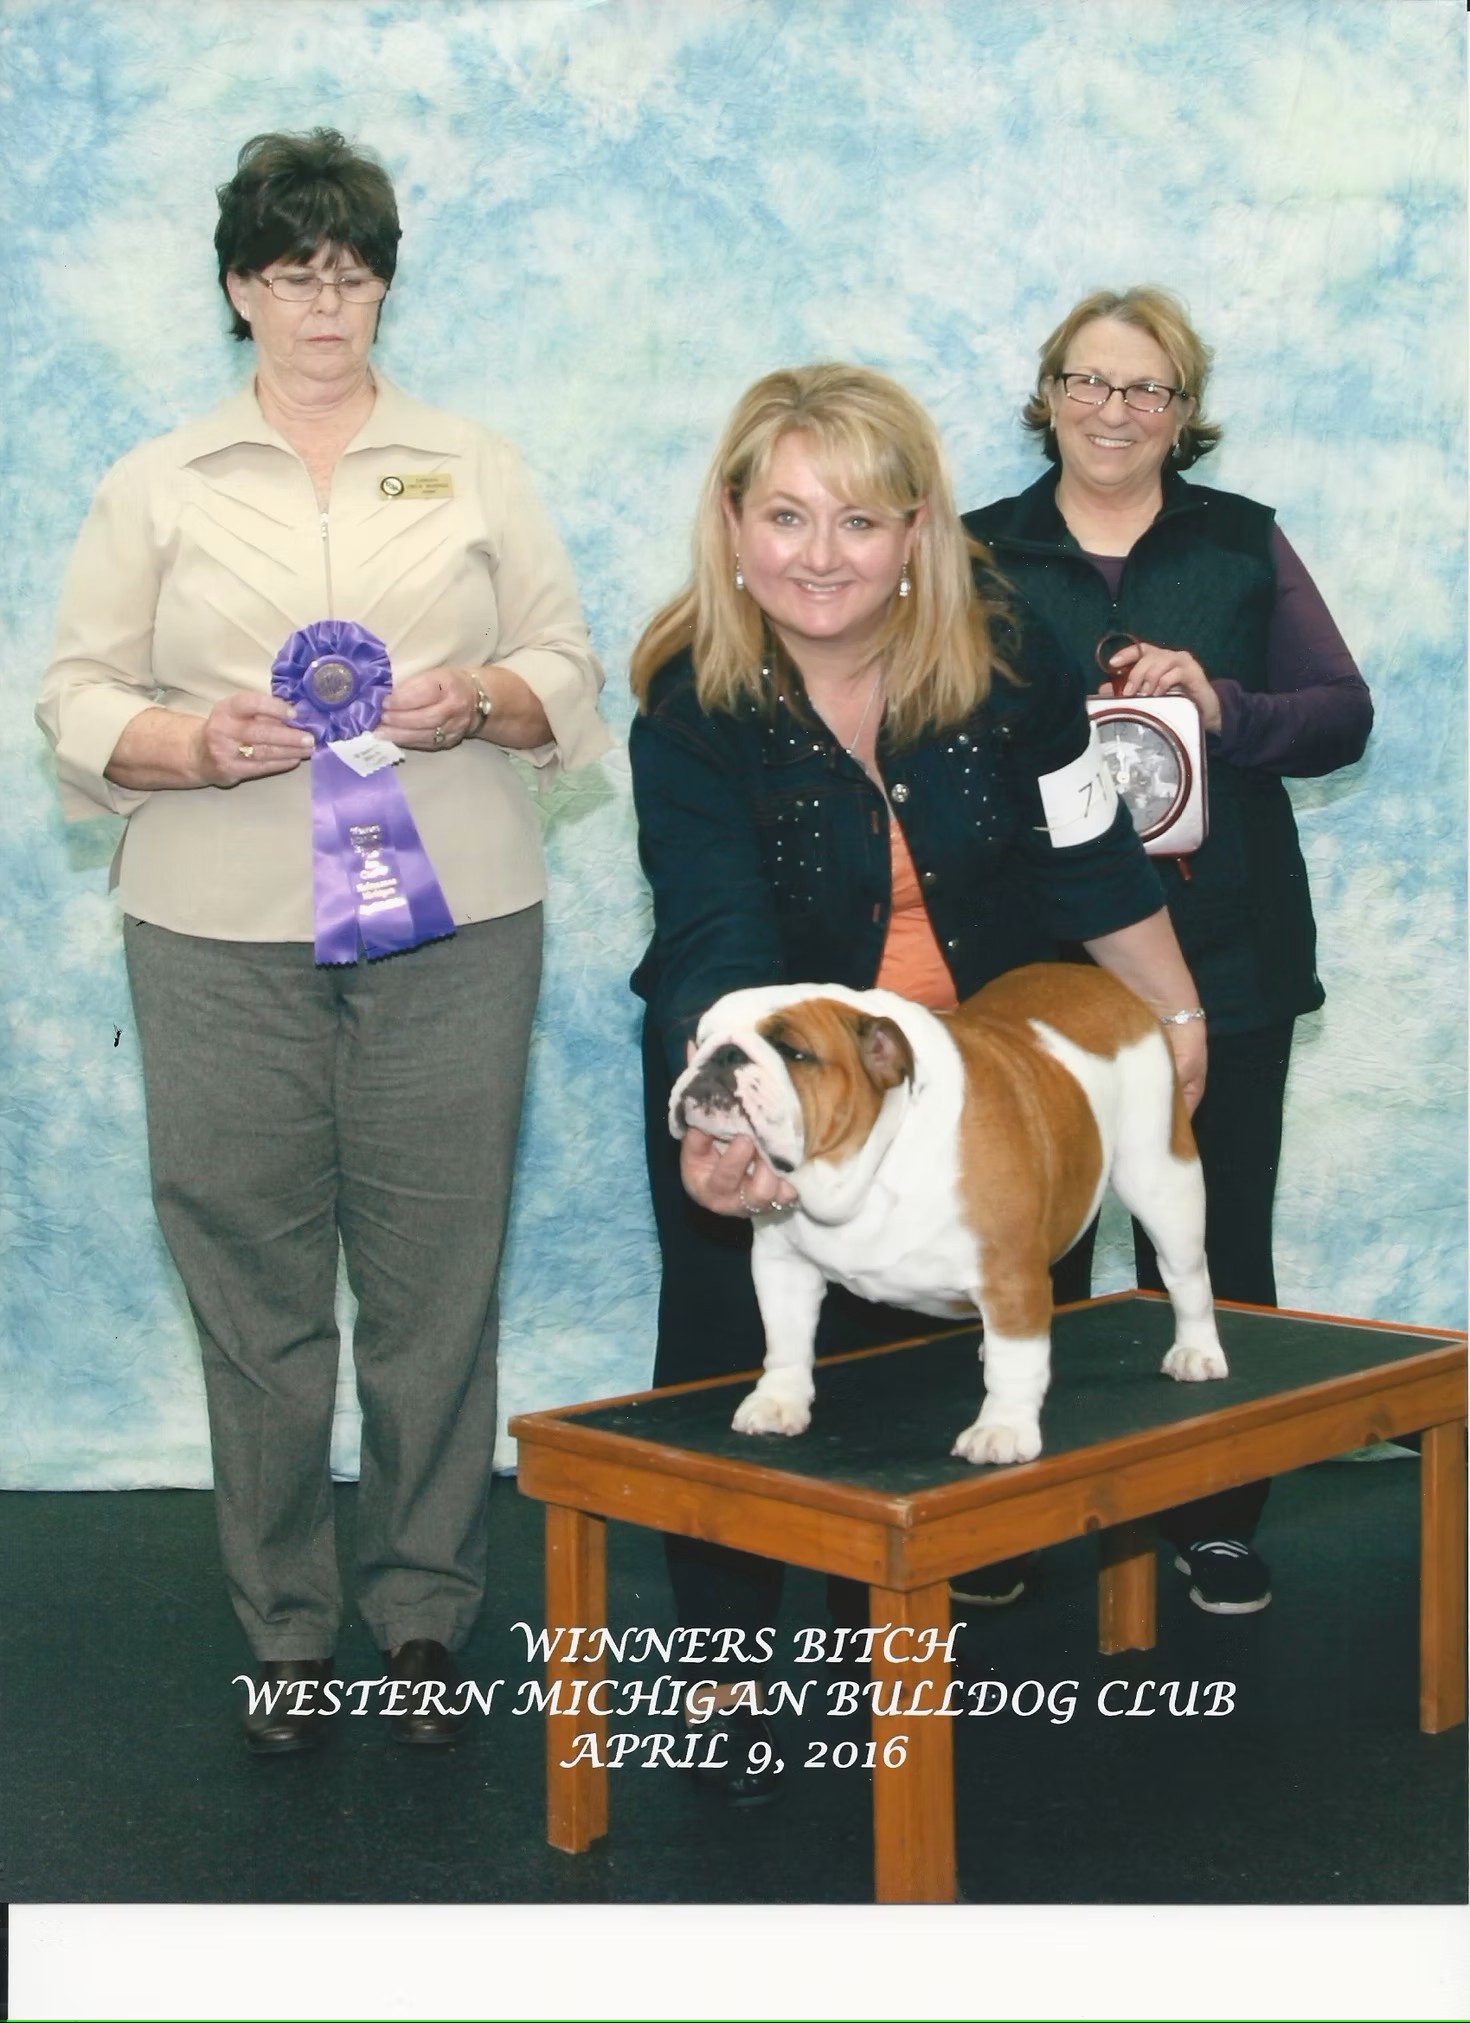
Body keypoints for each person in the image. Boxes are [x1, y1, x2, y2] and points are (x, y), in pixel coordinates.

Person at [36, 129, 608, 1752]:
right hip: (215, 929)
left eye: (352, 275)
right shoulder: (157, 479)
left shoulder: (473, 461)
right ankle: (284, 1628)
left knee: (437, 1283)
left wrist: (478, 698)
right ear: (239, 289)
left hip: (456, 921)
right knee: (253, 1288)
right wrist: (184, 742)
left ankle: (423, 1611)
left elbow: (567, 670)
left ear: (384, 288)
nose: (324, 305)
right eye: (293, 275)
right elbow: (73, 695)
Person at [628, 362, 1207, 1800]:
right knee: (737, 1357)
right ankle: (719, 1663)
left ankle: (880, 1648)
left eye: (859, 520)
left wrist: (1176, 1014)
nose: (820, 556)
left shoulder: (1009, 659)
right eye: (785, 515)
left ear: (916, 531)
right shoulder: (687, 705)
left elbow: (1088, 853)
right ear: (732, 523)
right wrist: (744, 1121)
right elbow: (716, 933)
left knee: (941, 1370)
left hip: (976, 1075)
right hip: (771, 1062)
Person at [964, 285, 1373, 1616]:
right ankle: (1011, 1509)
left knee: (1211, 1237)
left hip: (1227, 946)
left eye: (1147, 388)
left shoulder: (1242, 540)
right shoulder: (972, 552)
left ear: (1182, 412)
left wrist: (1224, 701)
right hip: (1028, 959)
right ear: (1048, 396)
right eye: (1089, 381)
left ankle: (1213, 1515)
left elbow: (1341, 715)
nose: (1114, 410)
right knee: (1025, 1239)